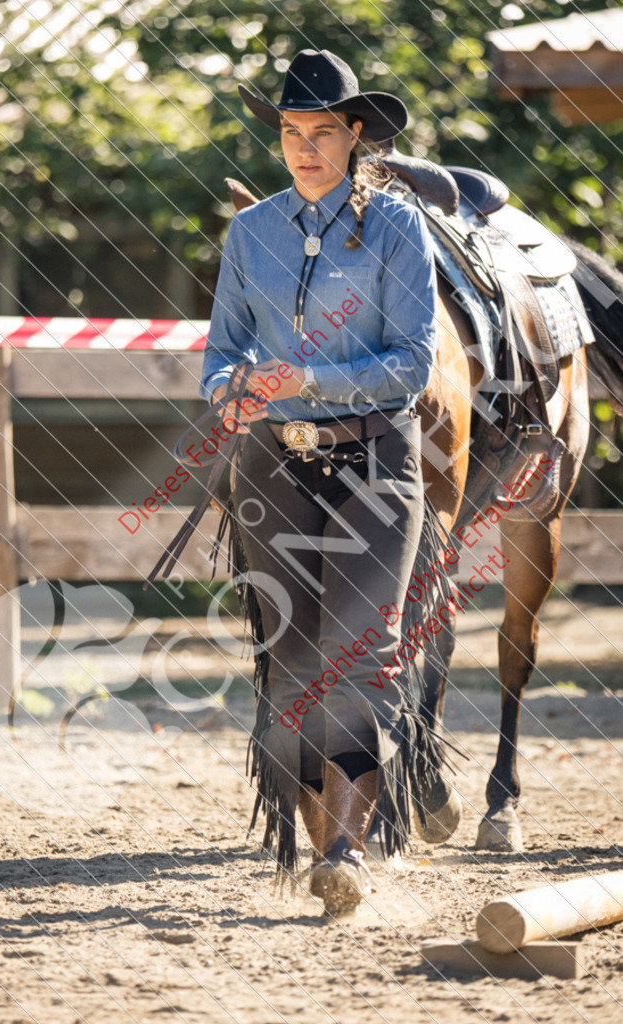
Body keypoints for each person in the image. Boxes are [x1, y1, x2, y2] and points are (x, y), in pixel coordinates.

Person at [201, 49, 443, 915]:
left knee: (359, 653)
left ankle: (347, 845)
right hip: (271, 462)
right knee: (292, 656)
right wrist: (232, 392)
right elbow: (220, 352)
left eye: (322, 134)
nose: (305, 149)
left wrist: (305, 381)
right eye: (291, 133)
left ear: (354, 137)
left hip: (376, 457)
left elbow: (412, 365)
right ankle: (322, 850)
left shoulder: (397, 229)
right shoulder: (249, 231)